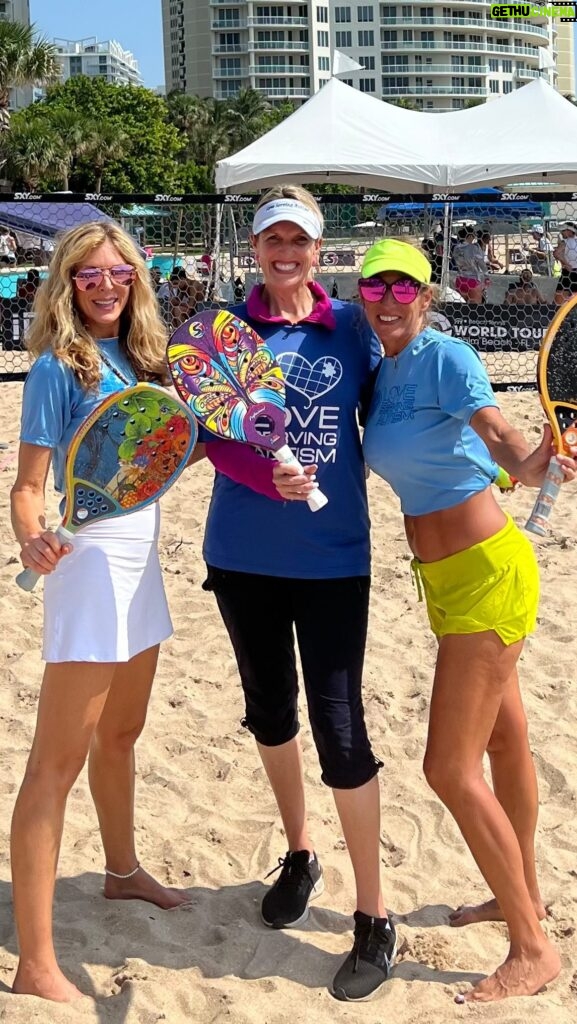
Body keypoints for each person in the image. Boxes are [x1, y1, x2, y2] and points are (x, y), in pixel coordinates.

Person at [351, 238, 575, 1003]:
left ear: (426, 295)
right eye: (375, 285)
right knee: (506, 741)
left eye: (402, 287)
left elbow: (504, 445)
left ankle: (530, 947)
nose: (387, 298)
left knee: (447, 767)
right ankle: (524, 896)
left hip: (487, 574)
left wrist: (536, 458)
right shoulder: (379, 375)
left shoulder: (446, 355)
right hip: (440, 581)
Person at [196, 185, 396, 1002]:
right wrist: (260, 470)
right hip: (241, 554)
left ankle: (374, 916)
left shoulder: (351, 326)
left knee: (341, 732)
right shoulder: (225, 332)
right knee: (270, 715)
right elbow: (212, 433)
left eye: (300, 240)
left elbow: (399, 414)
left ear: (321, 251)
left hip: (333, 557)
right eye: (272, 239)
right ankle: (300, 852)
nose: (286, 252)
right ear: (255, 245)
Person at [9, 221, 192, 1004]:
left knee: (121, 735)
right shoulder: (58, 366)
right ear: (68, 284)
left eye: (119, 272)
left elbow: (168, 452)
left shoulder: (144, 358)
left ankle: (121, 873)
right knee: (58, 761)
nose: (107, 285)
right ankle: (35, 958)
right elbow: (27, 487)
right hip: (85, 568)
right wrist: (28, 540)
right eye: (90, 277)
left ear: (137, 277)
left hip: (141, 564)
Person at [452, 228, 489, 304]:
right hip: (472, 280)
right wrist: (486, 276)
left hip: (460, 279)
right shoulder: (473, 248)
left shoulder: (456, 248)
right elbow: (481, 263)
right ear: (469, 236)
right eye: (473, 236)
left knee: (461, 307)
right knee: (474, 308)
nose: (474, 238)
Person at [553, 222, 577, 305]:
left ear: (569, 231)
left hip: (567, 273)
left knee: (559, 302)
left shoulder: (565, 242)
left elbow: (556, 253)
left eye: (563, 230)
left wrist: (565, 264)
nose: (561, 233)